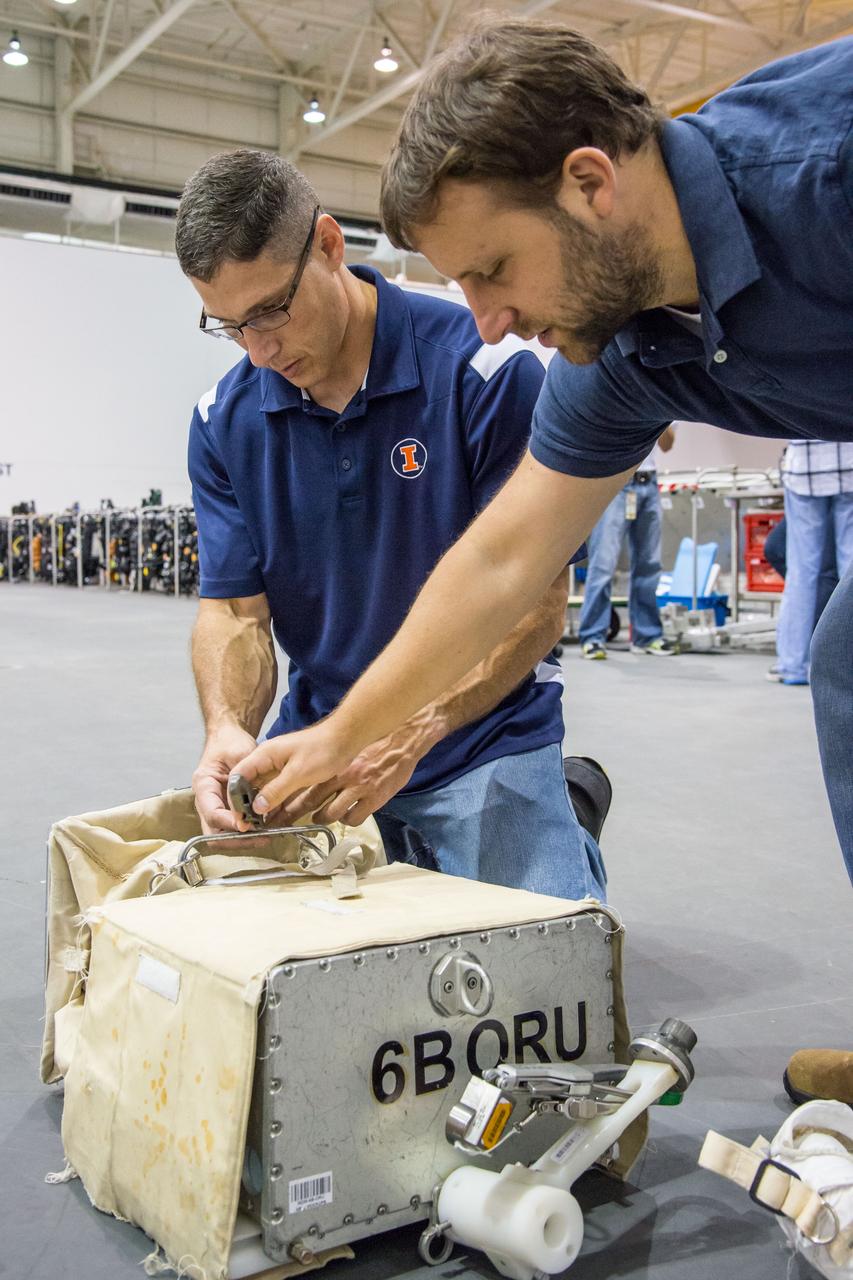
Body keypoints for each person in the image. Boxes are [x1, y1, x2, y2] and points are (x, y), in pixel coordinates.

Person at [231, 23, 852, 1100]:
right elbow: (501, 561)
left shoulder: (823, 170)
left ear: (589, 183)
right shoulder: (621, 350)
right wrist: (342, 733)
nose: (487, 322)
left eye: (492, 270)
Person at [175, 149, 606, 902]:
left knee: (540, 958)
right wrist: (228, 728)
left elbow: (535, 608)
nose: (260, 350)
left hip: (477, 736)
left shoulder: (486, 374)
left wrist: (408, 732)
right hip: (318, 743)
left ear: (328, 246)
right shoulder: (223, 421)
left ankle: (561, 806)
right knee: (252, 954)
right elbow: (235, 613)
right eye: (231, 325)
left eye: (271, 310)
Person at [579, 426, 676, 659]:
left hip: (649, 483)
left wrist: (661, 412)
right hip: (615, 481)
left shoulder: (664, 403)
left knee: (649, 565)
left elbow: (667, 445)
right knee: (603, 564)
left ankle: (647, 636)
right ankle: (592, 637)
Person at [769, 440, 853, 685]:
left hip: (804, 468)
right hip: (850, 465)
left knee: (800, 573)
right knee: (850, 570)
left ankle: (793, 664)